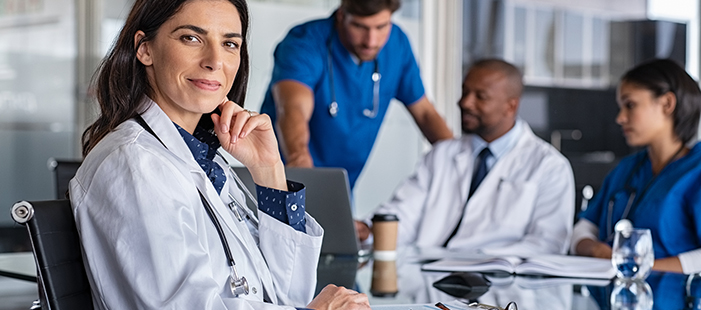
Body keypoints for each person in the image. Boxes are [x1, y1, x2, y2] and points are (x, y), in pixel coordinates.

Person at [69, 0, 370, 309]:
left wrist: (268, 171)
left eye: (229, 43)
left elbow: (289, 295)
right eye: (191, 38)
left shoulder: (207, 160)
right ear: (144, 48)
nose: (215, 61)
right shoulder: (133, 163)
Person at [356, 59, 575, 256]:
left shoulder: (549, 166)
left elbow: (547, 245)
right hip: (429, 283)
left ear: (511, 106)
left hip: (502, 290)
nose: (465, 103)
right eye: (465, 91)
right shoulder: (442, 154)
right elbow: (404, 213)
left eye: (481, 97)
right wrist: (368, 230)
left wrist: (475, 258)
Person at [571, 59, 701, 274]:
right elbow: (583, 229)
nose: (620, 118)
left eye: (630, 105)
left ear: (666, 104)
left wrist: (637, 269)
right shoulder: (628, 169)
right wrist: (595, 250)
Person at [260, 0, 452, 189]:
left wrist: (463, 161)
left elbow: (426, 114)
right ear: (341, 15)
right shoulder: (305, 42)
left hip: (341, 186)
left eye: (381, 26)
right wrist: (303, 172)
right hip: (287, 179)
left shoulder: (397, 45)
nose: (371, 41)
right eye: (360, 27)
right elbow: (293, 109)